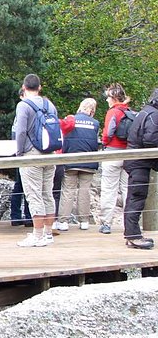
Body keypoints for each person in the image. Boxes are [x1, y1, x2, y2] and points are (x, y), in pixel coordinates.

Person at [14, 74, 58, 247]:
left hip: (31, 154)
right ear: (39, 87)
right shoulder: (50, 104)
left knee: (34, 195)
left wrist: (19, 153)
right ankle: (48, 234)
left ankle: (37, 236)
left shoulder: (23, 105)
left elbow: (21, 131)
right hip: (50, 153)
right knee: (47, 193)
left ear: (24, 87)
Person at [56, 98, 99, 231]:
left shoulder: (71, 120)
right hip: (88, 161)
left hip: (71, 160)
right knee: (84, 191)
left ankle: (63, 221)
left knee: (68, 191)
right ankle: (84, 221)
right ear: (92, 110)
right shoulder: (95, 123)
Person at [123, 88, 158, 249]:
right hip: (139, 162)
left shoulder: (146, 112)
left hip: (136, 160)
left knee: (134, 197)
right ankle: (133, 236)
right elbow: (151, 140)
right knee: (136, 197)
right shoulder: (154, 115)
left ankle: (132, 234)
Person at [99, 83, 131, 235]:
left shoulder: (113, 112)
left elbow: (107, 134)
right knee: (127, 189)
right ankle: (130, 223)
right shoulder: (130, 112)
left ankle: (106, 223)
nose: (106, 100)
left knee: (109, 189)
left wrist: (104, 142)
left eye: (108, 97)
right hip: (129, 155)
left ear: (113, 97)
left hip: (112, 153)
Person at [10, 89, 32, 227]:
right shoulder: (22, 111)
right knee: (22, 184)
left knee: (22, 185)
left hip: (20, 152)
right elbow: (19, 133)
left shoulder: (23, 111)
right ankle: (21, 216)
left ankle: (20, 216)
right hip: (22, 153)